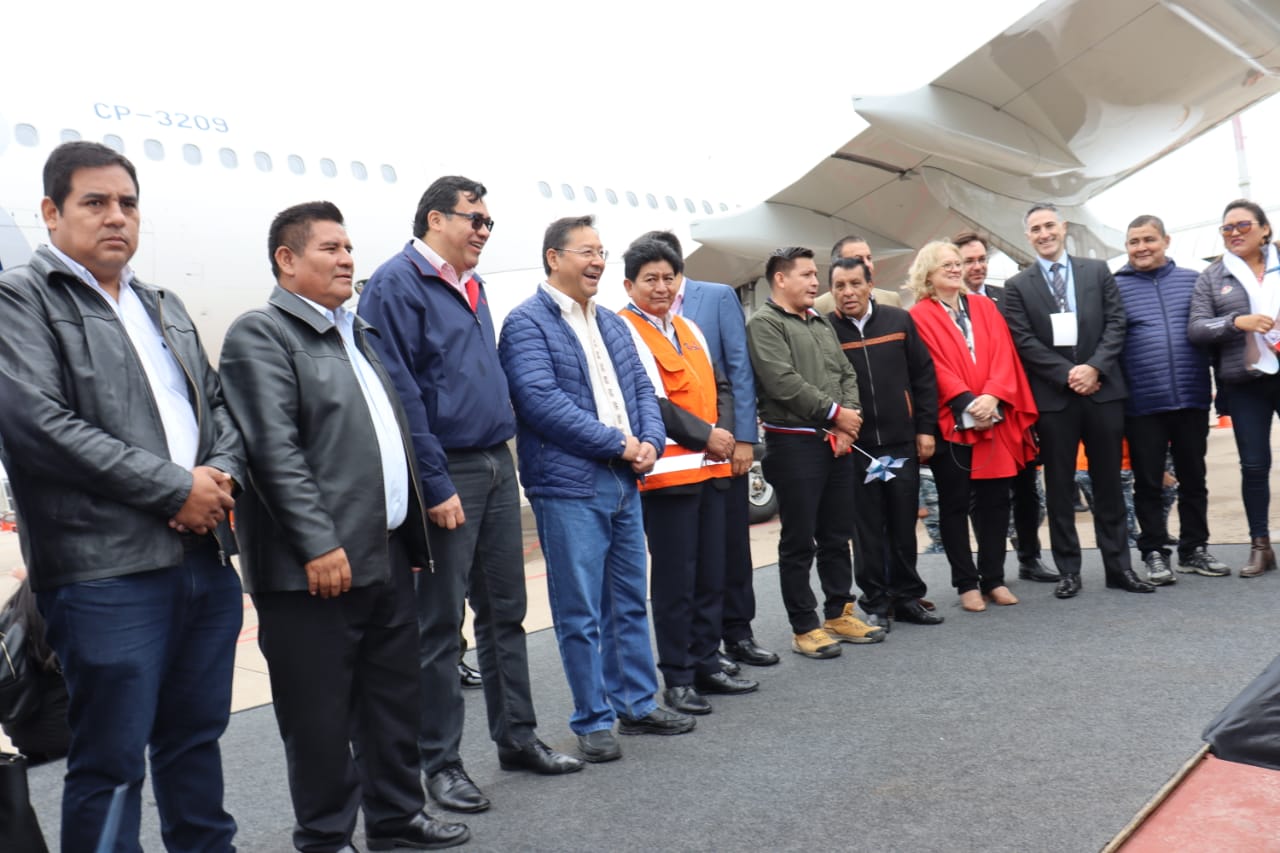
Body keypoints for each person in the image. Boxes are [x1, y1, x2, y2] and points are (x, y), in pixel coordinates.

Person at [0, 141, 244, 851]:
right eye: (95, 202)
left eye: (128, 204)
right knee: (111, 764)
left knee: (195, 743)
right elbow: (40, 427)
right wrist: (175, 488)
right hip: (104, 573)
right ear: (51, 213)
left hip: (202, 562)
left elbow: (219, 408)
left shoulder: (162, 304)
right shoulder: (20, 299)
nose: (117, 217)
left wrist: (219, 475)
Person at [219, 202, 468, 852]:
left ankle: (396, 818)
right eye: (330, 248)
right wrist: (318, 543)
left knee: (393, 702)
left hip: (382, 556)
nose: (347, 259)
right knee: (320, 719)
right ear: (286, 259)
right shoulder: (261, 335)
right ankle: (326, 838)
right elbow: (273, 452)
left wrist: (405, 535)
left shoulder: (358, 333)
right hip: (314, 570)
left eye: (350, 247)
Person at [358, 177, 581, 814]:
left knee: (505, 611)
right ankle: (441, 763)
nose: (484, 231)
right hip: (448, 470)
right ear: (435, 219)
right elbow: (400, 394)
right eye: (474, 219)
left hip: (493, 461)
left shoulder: (471, 285)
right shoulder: (396, 284)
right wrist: (433, 483)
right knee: (438, 625)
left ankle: (517, 738)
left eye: (488, 222)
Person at [498, 216, 695, 765]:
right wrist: (620, 443)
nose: (598, 262)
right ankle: (593, 719)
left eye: (601, 252)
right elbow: (540, 402)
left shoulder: (610, 322)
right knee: (580, 611)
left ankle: (636, 704)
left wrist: (650, 441)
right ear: (553, 257)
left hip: (624, 479)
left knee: (629, 601)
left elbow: (641, 390)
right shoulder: (526, 323)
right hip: (569, 487)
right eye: (586, 251)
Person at [619, 239, 760, 715]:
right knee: (676, 583)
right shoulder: (624, 329)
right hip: (669, 478)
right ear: (629, 285)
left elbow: (720, 384)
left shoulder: (688, 327)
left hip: (710, 469)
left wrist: (724, 435)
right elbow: (649, 400)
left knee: (710, 574)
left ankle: (706, 663)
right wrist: (708, 436)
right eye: (650, 279)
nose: (661, 287)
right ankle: (678, 677)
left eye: (668, 278)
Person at [1003, 203, 1156, 598]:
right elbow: (1023, 340)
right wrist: (1067, 374)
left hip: (1103, 392)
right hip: (1055, 399)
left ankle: (1119, 568)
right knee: (1058, 487)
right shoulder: (1017, 286)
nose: (1044, 234)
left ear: (1063, 227)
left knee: (1109, 485)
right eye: (1036, 229)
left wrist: (1094, 368)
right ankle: (1069, 570)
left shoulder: (1097, 270)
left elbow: (1116, 323)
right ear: (1028, 236)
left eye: (1049, 226)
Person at [746, 246, 884, 658]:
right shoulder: (764, 324)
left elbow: (845, 373)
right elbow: (782, 382)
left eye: (813, 274)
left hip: (835, 442)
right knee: (798, 540)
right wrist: (836, 414)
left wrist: (847, 421)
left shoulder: (818, 322)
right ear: (780, 279)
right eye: (806, 274)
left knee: (836, 535)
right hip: (795, 444)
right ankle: (804, 626)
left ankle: (839, 612)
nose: (814, 282)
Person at [908, 242, 1039, 612]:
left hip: (993, 416)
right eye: (946, 265)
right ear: (928, 273)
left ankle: (994, 578)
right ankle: (966, 583)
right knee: (954, 505)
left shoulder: (984, 307)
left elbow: (1004, 355)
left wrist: (993, 396)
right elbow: (930, 366)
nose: (955, 269)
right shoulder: (919, 316)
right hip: (952, 421)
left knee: (996, 502)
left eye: (957, 263)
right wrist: (967, 400)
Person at [827, 256, 944, 629]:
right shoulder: (825, 331)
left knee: (903, 522)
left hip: (901, 443)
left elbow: (923, 376)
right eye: (840, 286)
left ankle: (907, 597)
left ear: (870, 285)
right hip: (857, 448)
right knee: (866, 529)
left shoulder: (899, 321)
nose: (848, 292)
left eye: (855, 284)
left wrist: (925, 428)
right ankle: (876, 602)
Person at [1114, 214, 1227, 583]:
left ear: (1166, 241)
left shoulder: (1193, 281)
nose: (1142, 247)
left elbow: (1210, 332)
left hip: (1191, 397)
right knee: (1148, 483)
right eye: (1134, 242)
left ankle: (1194, 549)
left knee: (1194, 479)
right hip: (1142, 402)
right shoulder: (1114, 287)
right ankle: (1154, 552)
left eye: (1149, 239)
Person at [954, 230, 1055, 583]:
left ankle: (1030, 557)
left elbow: (1023, 346)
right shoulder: (947, 307)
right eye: (968, 261)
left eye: (982, 259)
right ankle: (990, 567)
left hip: (1012, 406)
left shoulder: (1006, 296)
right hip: (971, 412)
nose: (977, 266)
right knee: (980, 495)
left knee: (1027, 487)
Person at [1188, 199, 1280, 578]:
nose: (1234, 233)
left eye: (1243, 225)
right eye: (1227, 228)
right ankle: (1260, 546)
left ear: (1264, 229)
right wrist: (1236, 321)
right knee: (1254, 465)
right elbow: (1196, 328)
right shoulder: (1213, 276)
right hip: (1245, 383)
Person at [813, 235, 902, 314]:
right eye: (859, 260)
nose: (867, 264)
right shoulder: (819, 307)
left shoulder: (892, 300)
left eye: (869, 258)